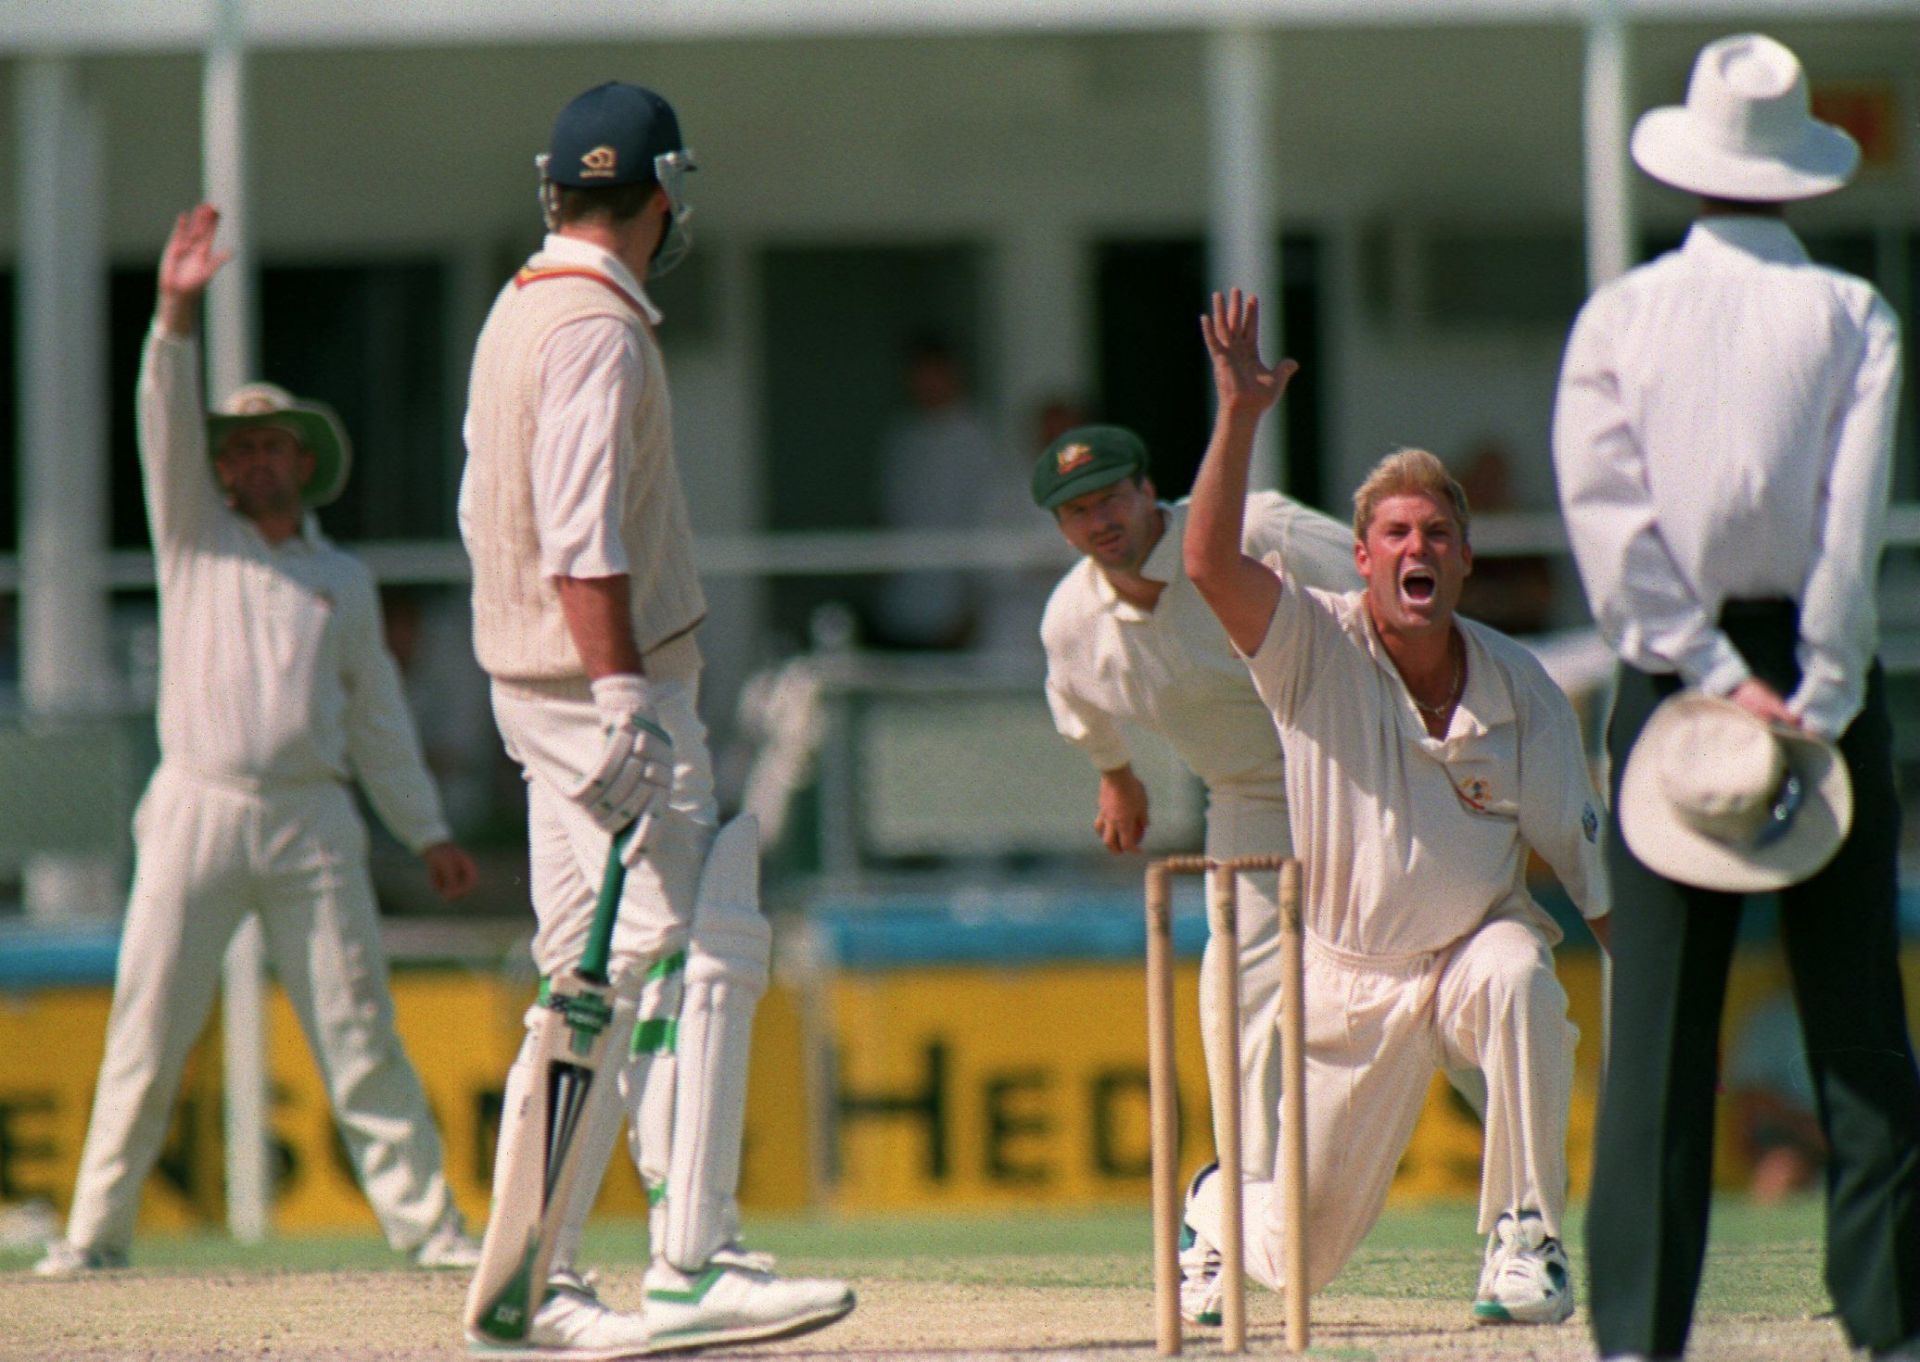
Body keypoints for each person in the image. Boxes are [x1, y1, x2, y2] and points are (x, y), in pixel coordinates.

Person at [458, 82, 853, 1355]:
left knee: (595, 975)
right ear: (663, 191)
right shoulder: (594, 329)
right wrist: (626, 701)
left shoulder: (520, 309)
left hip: (537, 687)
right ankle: (694, 1260)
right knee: (706, 938)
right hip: (599, 690)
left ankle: (534, 1282)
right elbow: (580, 536)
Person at [1552, 33, 1920, 1362]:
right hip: (1821, 672)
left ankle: (1640, 1339)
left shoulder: (1620, 317)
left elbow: (1611, 522)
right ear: (1800, 177)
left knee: (1658, 1032)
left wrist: (1711, 678)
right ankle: (1892, 1326)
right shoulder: (1852, 314)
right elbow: (1849, 524)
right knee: (1859, 1021)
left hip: (1674, 674)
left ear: (1690, 171)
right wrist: (1812, 692)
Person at [36, 204, 483, 1276]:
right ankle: (96, 1237)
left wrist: (423, 831)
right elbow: (160, 421)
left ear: (304, 462)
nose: (258, 461)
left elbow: (377, 719)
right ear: (224, 468)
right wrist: (174, 314)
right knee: (147, 1031)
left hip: (313, 816)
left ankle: (432, 1237)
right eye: (239, 448)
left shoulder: (341, 580)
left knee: (358, 1029)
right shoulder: (194, 538)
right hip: (196, 806)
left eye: (275, 444)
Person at [1182, 288, 1610, 1327]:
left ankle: (1526, 1238)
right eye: (1393, 533)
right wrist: (1238, 417)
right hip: (1345, 980)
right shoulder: (1314, 645)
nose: (1415, 547)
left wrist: (1663, 1020)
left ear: (1463, 557)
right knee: (1300, 1260)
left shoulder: (1524, 693)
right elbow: (1205, 563)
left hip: (1467, 952)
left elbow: (1593, 885)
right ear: (1364, 558)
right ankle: (1221, 1205)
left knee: (1521, 975)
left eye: (1436, 532)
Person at [1031, 421, 1357, 1240]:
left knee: (1433, 982)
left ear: (1149, 490)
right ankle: (1239, 1211)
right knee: (1235, 995)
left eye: (1109, 497)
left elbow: (1384, 587)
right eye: (1075, 512)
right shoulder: (1072, 619)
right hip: (1250, 795)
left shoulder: (1259, 528)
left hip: (1364, 772)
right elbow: (1079, 706)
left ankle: (1518, 1211)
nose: (1098, 521)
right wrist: (1116, 775)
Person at [871, 336, 999, 650]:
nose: (925, 383)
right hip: (903, 598)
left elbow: (987, 522)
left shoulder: (977, 438)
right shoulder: (902, 436)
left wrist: (973, 607)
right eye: (918, 373)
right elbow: (889, 514)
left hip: (957, 603)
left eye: (934, 372)